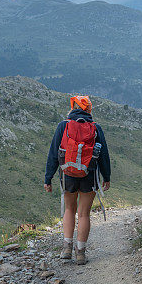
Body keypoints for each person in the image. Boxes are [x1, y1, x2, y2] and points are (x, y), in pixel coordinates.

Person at [44, 95, 110, 265]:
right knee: (83, 214)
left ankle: (66, 248)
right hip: (90, 174)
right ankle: (80, 253)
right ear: (89, 109)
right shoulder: (96, 128)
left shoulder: (63, 126)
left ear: (73, 108)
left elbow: (53, 153)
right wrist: (106, 176)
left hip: (68, 174)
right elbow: (103, 155)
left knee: (69, 210)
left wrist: (48, 178)